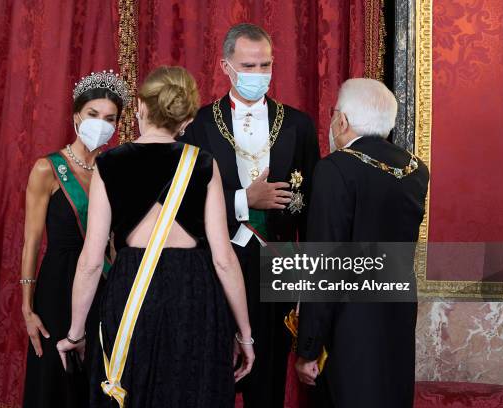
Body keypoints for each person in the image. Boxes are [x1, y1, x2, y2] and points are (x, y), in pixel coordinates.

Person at [56, 66, 255, 408]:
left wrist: (76, 333)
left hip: (131, 286)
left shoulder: (109, 164)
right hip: (193, 291)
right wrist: (245, 336)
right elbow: (224, 259)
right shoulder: (203, 163)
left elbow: (91, 262)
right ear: (185, 120)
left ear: (141, 107)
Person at [180, 23, 320, 407]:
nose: (259, 75)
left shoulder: (298, 124)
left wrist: (307, 282)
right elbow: (184, 202)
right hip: (215, 260)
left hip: (276, 263)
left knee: (269, 379)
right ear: (226, 66)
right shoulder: (198, 125)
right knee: (212, 374)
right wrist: (245, 200)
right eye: (248, 66)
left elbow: (311, 211)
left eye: (265, 65)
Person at [295, 78, 430, 408]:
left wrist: (308, 347)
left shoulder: (335, 170)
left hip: (349, 326)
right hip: (397, 316)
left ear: (341, 120)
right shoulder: (415, 169)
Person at [21, 70, 129, 408]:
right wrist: (27, 306)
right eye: (94, 115)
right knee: (55, 381)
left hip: (104, 285)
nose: (101, 124)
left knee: (99, 381)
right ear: (76, 117)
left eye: (110, 119)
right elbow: (32, 240)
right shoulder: (48, 169)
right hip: (57, 289)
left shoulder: (117, 168)